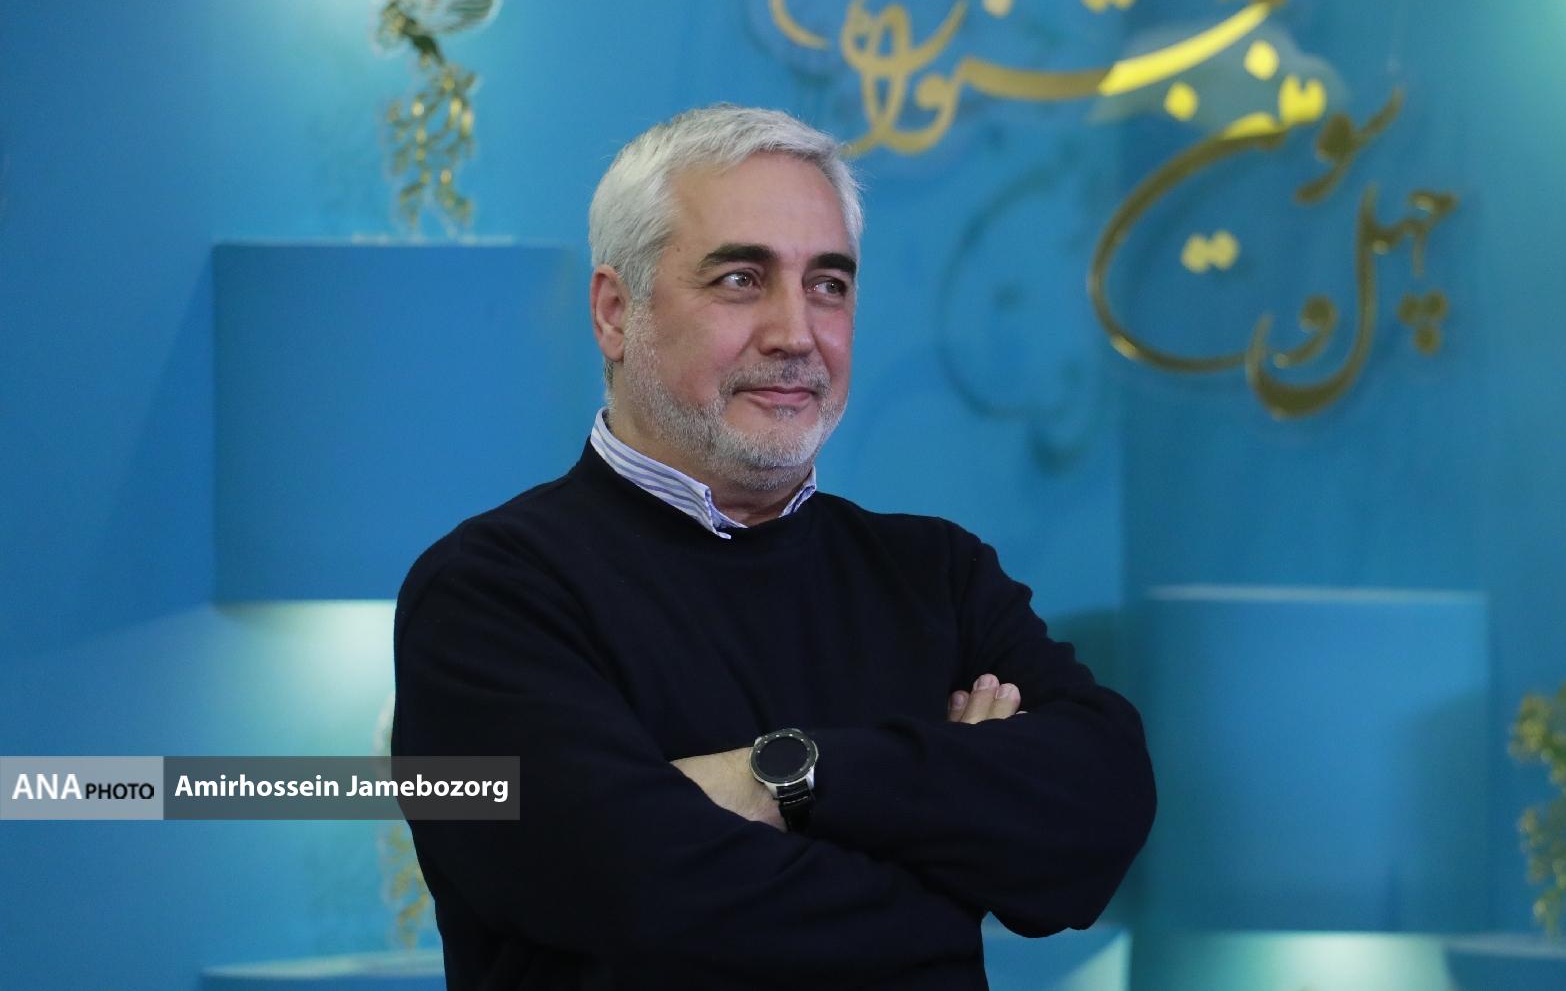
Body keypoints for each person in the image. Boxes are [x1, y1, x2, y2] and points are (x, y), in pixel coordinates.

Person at [391, 104, 1155, 989]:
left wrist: (787, 777)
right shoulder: (485, 595)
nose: (797, 332)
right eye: (741, 279)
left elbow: (1103, 808)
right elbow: (644, 902)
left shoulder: (936, 575)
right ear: (614, 312)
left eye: (828, 283)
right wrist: (949, 859)